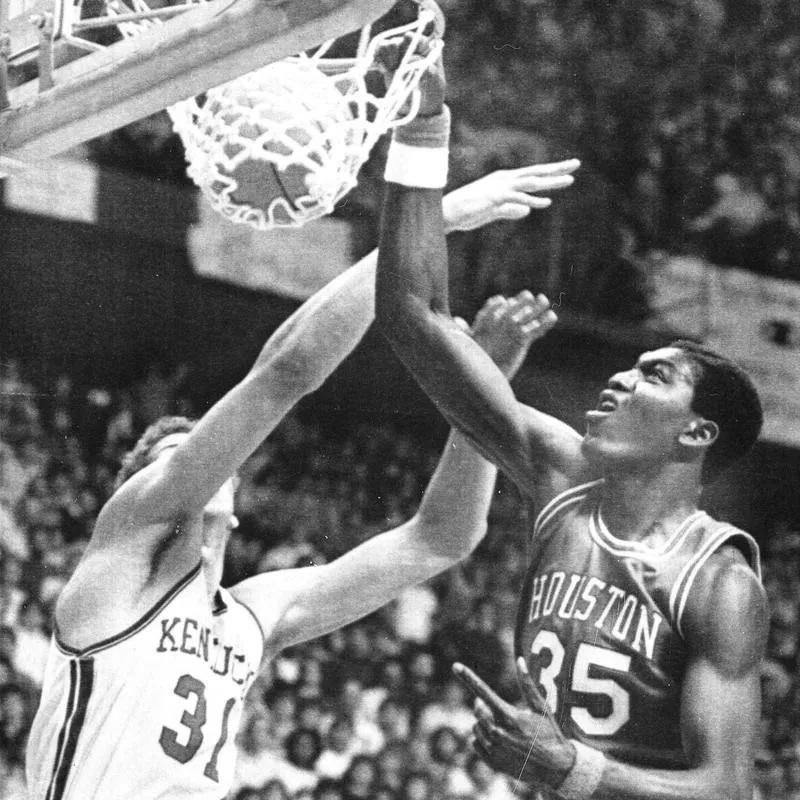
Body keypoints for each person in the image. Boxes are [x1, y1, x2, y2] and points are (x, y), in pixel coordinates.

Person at [24, 158, 563, 800]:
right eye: (174, 455)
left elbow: (440, 538)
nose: (196, 461)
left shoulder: (253, 614)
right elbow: (287, 370)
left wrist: (482, 384)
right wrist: (432, 220)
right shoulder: (125, 552)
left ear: (239, 500)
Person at [374, 28, 768, 800]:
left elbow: (725, 790)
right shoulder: (559, 474)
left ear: (695, 433)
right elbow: (412, 315)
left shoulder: (719, 583)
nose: (621, 379)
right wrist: (422, 124)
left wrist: (572, 768)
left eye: (654, 376)